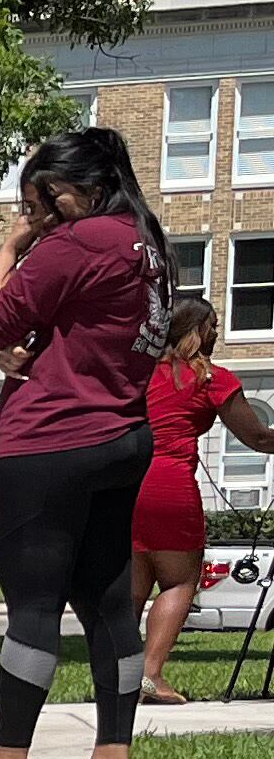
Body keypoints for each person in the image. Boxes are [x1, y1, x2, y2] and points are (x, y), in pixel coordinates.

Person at [0, 125, 178, 759]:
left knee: (34, 605)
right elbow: (98, 330)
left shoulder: (74, 243)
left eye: (50, 195)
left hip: (49, 440)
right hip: (123, 434)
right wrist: (39, 345)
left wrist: (13, 248)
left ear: (89, 185)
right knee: (109, 604)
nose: (42, 211)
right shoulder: (151, 241)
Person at [135, 297, 274, 704]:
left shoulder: (139, 374)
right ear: (196, 331)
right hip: (172, 486)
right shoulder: (213, 378)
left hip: (127, 484)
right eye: (213, 325)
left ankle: (118, 679)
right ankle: (150, 676)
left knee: (130, 589)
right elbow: (258, 437)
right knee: (179, 582)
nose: (217, 332)